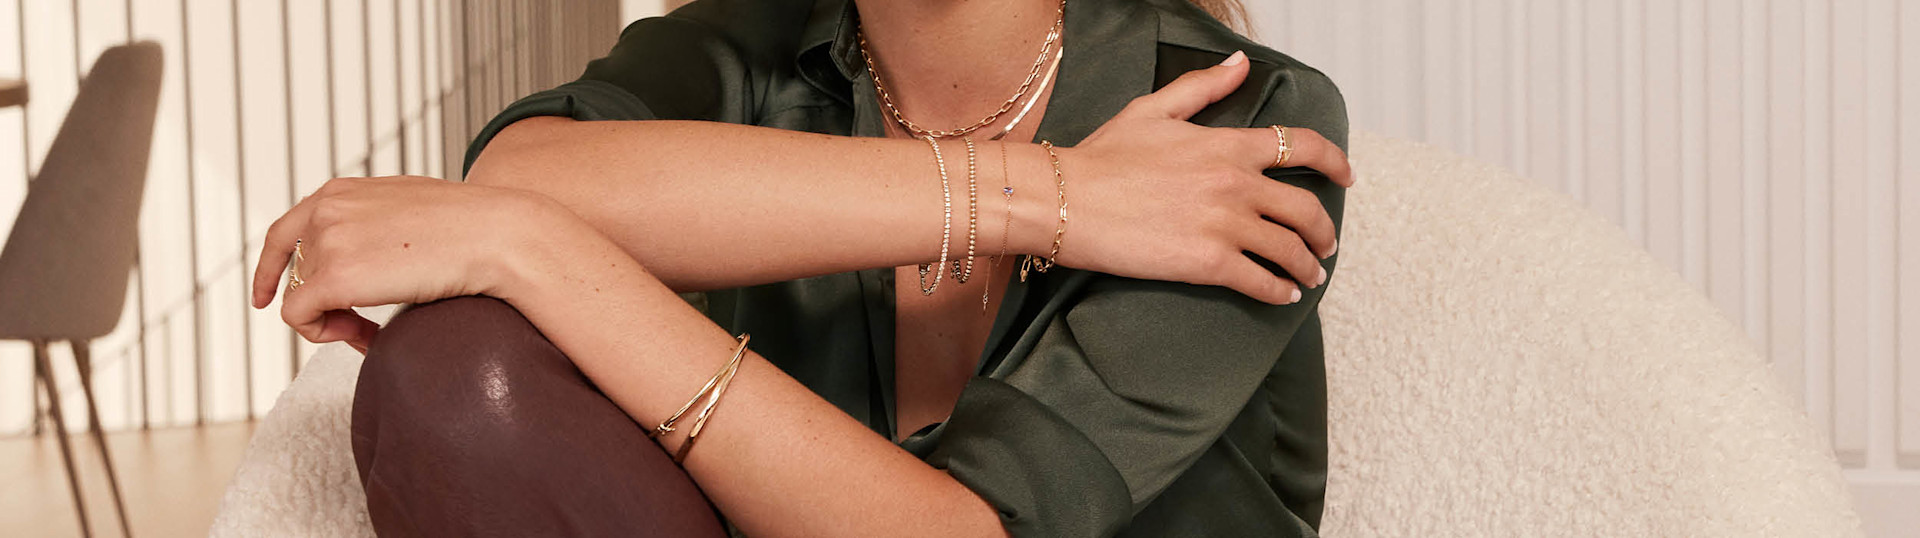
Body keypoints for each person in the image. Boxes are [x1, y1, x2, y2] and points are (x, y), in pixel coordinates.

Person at [252, 0, 1353, 535]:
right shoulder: (745, 47)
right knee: (453, 371)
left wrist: (533, 244)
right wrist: (1046, 197)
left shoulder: (1237, 118)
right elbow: (521, 173)